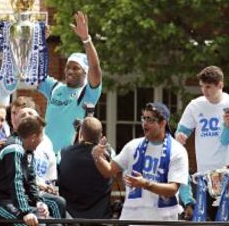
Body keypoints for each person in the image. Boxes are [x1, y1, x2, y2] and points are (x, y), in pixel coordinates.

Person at [92, 102, 188, 222]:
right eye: (144, 118)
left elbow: (173, 189)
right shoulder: (132, 146)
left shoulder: (177, 150)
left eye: (150, 120)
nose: (145, 123)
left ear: (163, 123)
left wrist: (145, 184)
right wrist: (97, 157)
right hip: (132, 218)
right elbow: (109, 171)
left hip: (162, 220)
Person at [38, 11, 102, 153]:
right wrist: (39, 42)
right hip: (46, 158)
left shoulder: (87, 94)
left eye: (76, 68)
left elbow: (95, 68)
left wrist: (86, 39)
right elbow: (33, 72)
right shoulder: (55, 88)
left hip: (69, 159)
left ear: (85, 73)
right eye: (68, 67)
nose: (70, 71)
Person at [0, 116, 64, 226]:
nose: (43, 140)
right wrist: (26, 211)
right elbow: (16, 181)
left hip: (12, 201)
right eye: (42, 137)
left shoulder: (28, 151)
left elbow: (30, 180)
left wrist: (38, 202)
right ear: (33, 137)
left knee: (54, 224)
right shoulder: (14, 148)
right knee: (27, 224)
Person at [175, 66, 229, 220]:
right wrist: (180, 136)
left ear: (220, 85)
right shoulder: (195, 105)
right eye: (202, 86)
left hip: (226, 172)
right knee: (207, 218)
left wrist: (227, 127)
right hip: (204, 174)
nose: (204, 91)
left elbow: (225, 141)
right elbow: (181, 131)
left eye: (209, 87)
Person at [58, 117, 112, 219]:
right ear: (100, 136)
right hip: (99, 219)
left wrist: (79, 140)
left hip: (71, 219)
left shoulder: (65, 153)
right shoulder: (106, 155)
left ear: (81, 133)